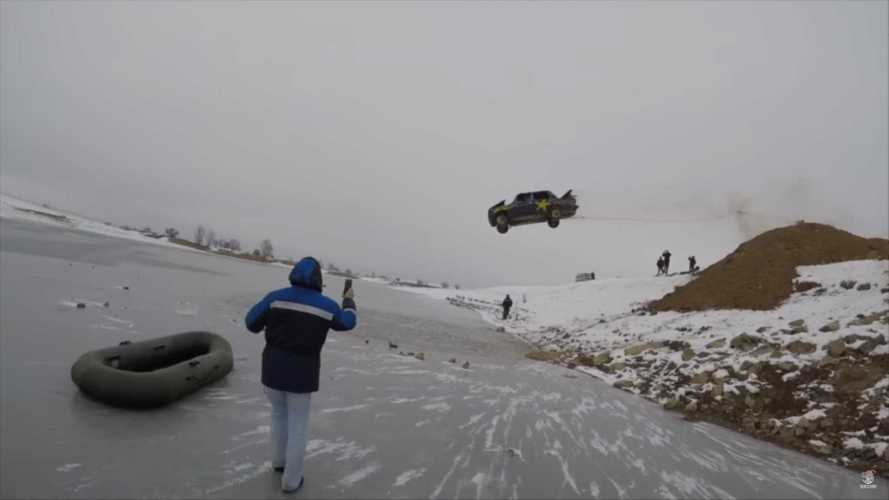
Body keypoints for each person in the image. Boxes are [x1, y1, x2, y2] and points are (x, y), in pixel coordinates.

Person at [245, 256, 357, 493]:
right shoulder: (326, 306)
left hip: (272, 370)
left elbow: (251, 323)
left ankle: (278, 462)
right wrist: (348, 300)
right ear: (318, 279)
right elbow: (348, 322)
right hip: (302, 375)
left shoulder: (275, 298)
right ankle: (291, 481)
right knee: (298, 424)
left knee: (278, 415)